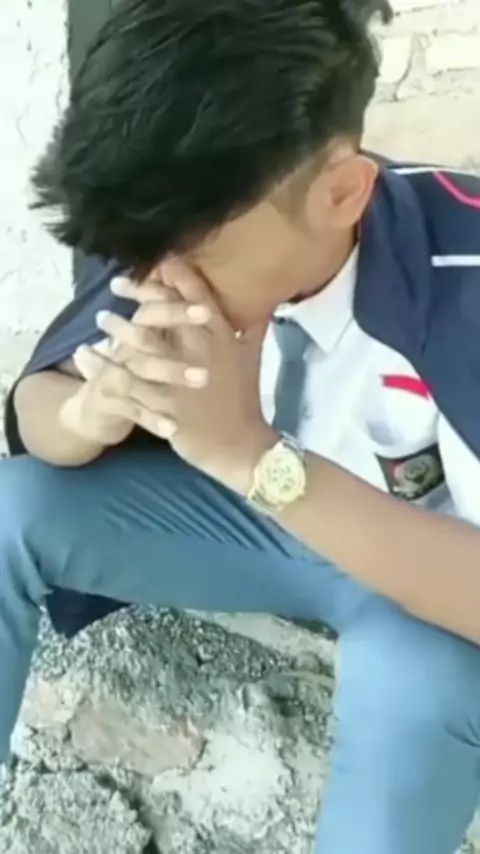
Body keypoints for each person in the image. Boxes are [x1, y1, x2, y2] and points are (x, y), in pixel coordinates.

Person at [2, 0, 480, 851]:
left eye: (189, 253)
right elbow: (39, 407)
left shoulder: (461, 280)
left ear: (341, 193)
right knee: (14, 505)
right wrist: (86, 412)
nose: (157, 279)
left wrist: (249, 456)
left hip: (435, 581)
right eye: (137, 251)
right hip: (268, 535)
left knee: (419, 679)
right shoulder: (172, 223)